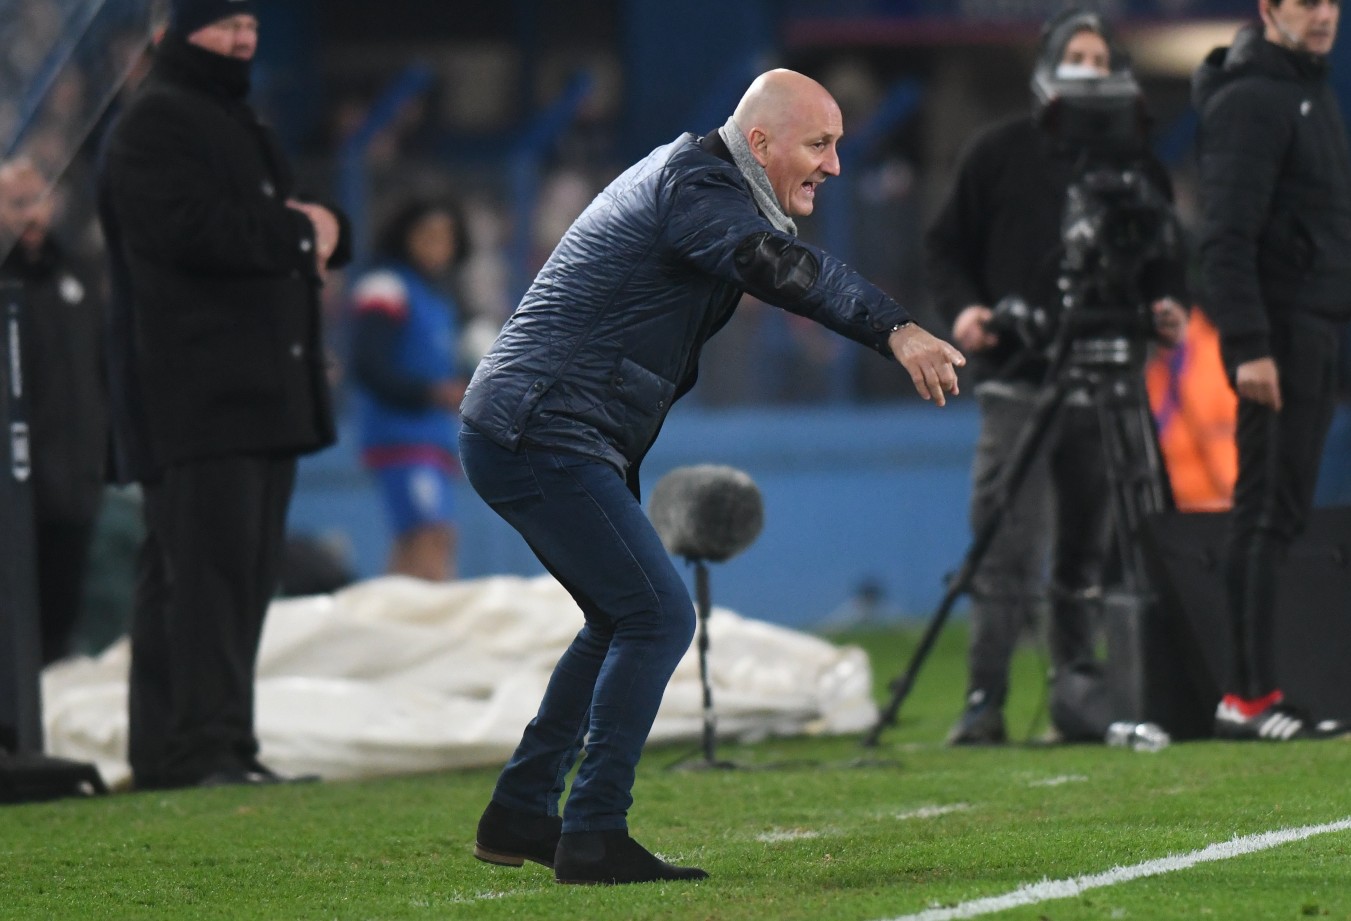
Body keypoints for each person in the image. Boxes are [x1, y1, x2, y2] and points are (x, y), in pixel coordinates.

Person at [461, 69, 964, 885]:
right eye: (819, 143)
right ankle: (591, 832)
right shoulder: (697, 185)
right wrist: (895, 328)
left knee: (617, 618)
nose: (835, 165)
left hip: (543, 426)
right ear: (758, 143)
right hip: (540, 428)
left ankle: (522, 809)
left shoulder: (692, 176)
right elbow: (775, 266)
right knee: (657, 616)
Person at [98, 0, 350, 788]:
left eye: (250, 28)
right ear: (179, 34)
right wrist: (303, 233)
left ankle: (213, 744)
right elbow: (193, 231)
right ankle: (197, 747)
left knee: (228, 575)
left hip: (254, 394)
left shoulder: (238, 122)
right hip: (198, 394)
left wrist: (314, 225)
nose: (242, 41)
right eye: (224, 27)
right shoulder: (156, 124)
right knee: (203, 578)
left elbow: (303, 217)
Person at [925, 9, 1188, 745]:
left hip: (1110, 376)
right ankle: (984, 700)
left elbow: (1167, 256)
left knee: (1090, 548)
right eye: (1073, 54)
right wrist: (968, 310)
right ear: (1045, 64)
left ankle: (1080, 695)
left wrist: (1170, 305)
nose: (1086, 69)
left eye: (1099, 58)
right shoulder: (996, 152)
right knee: (1005, 543)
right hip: (1020, 377)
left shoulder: (1138, 164)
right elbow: (945, 247)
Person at [1194, 0, 1351, 740]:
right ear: (1268, 10)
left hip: (1312, 332)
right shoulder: (1253, 100)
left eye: (1329, 1)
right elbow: (1222, 236)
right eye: (1303, 2)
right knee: (1261, 511)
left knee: (1280, 514)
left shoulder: (1307, 90)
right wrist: (1248, 343)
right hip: (1278, 338)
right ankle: (1244, 697)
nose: (1321, 14)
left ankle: (1262, 689)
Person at [0, 157, 107, 666]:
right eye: (17, 203)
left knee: (61, 618)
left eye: (39, 200)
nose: (32, 216)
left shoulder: (80, 274)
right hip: (13, 484)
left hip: (73, 479)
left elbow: (99, 366)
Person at [349, 198, 469, 581]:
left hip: (432, 438)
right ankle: (429, 635)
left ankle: (396, 635)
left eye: (446, 237)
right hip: (401, 435)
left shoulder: (438, 298)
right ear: (405, 237)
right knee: (431, 536)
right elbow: (368, 365)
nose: (439, 246)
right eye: (428, 236)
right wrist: (431, 394)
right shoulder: (385, 287)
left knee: (416, 542)